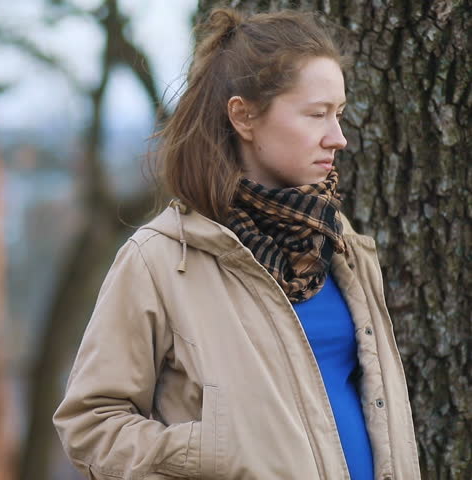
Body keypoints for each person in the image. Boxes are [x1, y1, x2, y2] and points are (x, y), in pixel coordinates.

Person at [53, 8, 420, 480]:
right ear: (243, 116)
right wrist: (211, 454)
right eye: (316, 114)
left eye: (340, 114)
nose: (339, 137)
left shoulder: (341, 245)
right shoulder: (162, 259)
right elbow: (90, 424)